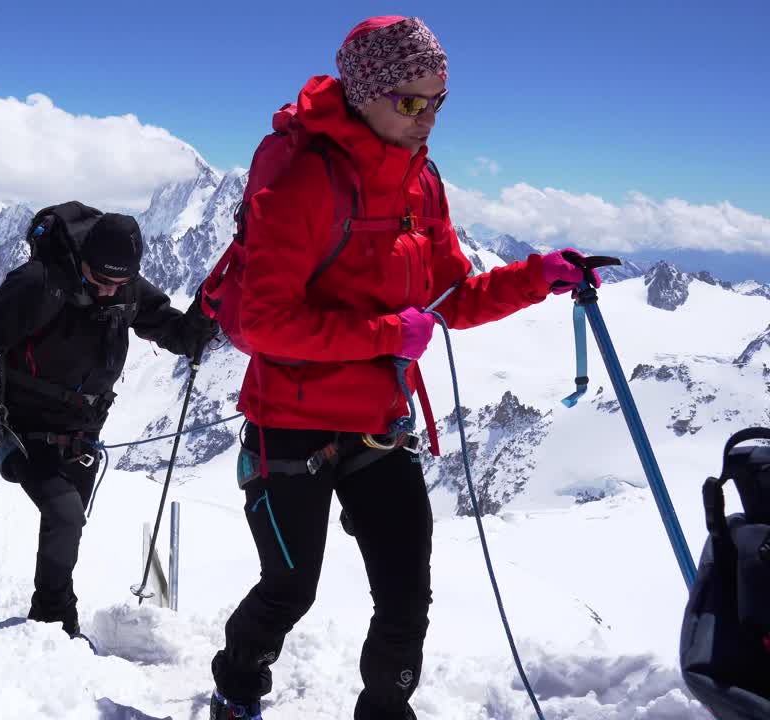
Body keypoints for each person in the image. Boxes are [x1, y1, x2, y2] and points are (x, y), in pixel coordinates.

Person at [207, 16, 601, 720]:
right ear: (363, 93)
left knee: (404, 592)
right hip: (289, 423)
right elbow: (261, 323)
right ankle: (237, 686)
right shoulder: (304, 179)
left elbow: (452, 300)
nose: (427, 119)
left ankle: (385, 711)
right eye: (410, 102)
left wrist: (537, 276)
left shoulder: (422, 184)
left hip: (378, 422)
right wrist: (390, 332)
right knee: (290, 588)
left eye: (438, 102)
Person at [0, 208, 216, 639]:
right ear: (83, 261)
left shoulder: (126, 289)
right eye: (100, 282)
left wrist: (193, 334)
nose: (110, 292)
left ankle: (49, 620)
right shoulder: (39, 282)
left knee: (67, 526)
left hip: (83, 434)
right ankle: (56, 623)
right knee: (66, 516)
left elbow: (165, 325)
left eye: (119, 284)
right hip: (24, 428)